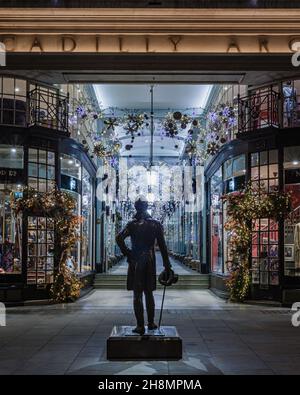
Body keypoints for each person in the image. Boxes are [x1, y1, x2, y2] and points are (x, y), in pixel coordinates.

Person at [116, 196, 172, 335]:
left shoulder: (131, 224)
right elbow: (163, 246)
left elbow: (119, 238)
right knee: (149, 292)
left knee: (137, 294)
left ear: (136, 208)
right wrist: (167, 265)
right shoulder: (156, 224)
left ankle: (140, 326)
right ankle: (151, 323)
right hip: (150, 260)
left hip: (135, 260)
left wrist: (128, 253)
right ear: (147, 207)